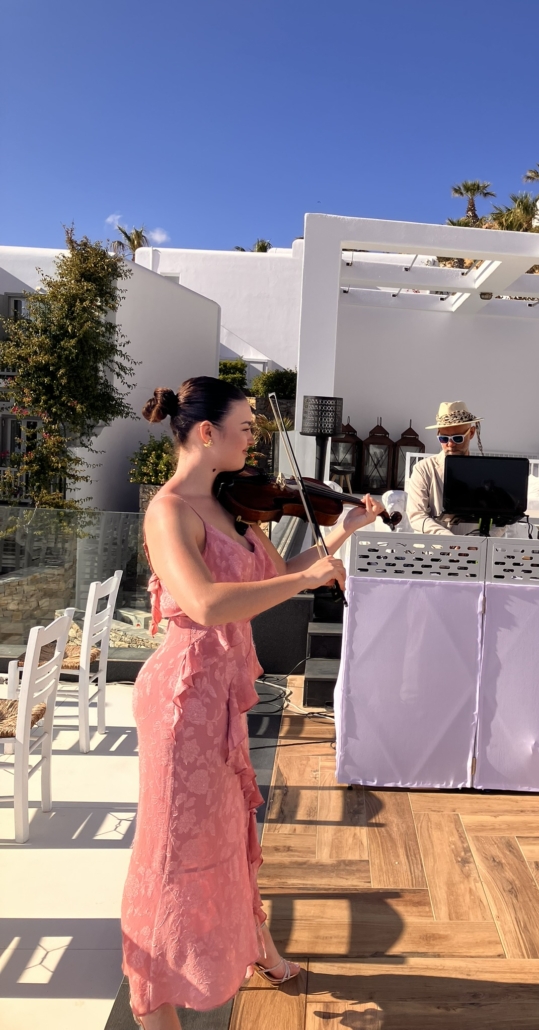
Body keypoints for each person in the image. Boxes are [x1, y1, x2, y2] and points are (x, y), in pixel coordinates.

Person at [121, 377, 384, 1030]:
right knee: (171, 853)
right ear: (206, 433)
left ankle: (254, 946)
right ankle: (151, 998)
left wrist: (341, 532)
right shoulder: (169, 511)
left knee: (225, 837)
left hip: (219, 698)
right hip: (183, 700)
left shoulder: (228, 506)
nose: (252, 442)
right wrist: (309, 577)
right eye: (244, 429)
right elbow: (206, 604)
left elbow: (276, 577)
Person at [406, 400, 484, 535]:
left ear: (471, 433)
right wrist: (447, 539)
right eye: (444, 438)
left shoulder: (483, 471)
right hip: (433, 547)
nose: (450, 444)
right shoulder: (423, 469)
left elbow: (501, 520)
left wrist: (479, 542)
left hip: (474, 547)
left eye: (457, 438)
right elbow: (417, 516)